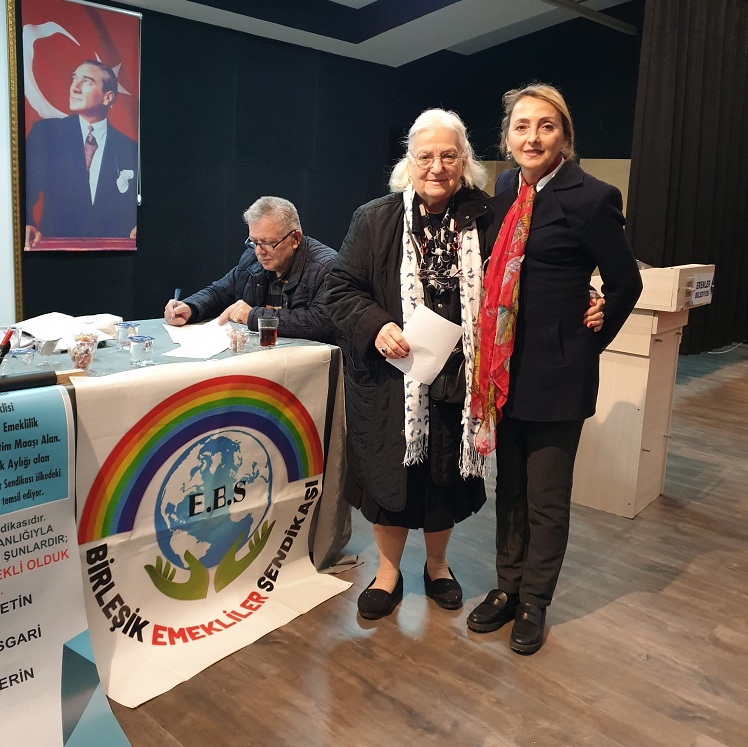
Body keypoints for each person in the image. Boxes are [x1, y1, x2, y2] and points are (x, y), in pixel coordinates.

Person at [326, 109, 606, 621]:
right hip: (392, 380)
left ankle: (438, 567)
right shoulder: (374, 218)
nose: (436, 167)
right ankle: (387, 573)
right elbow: (338, 288)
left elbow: (529, 270)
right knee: (391, 481)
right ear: (408, 162)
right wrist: (375, 325)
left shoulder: (487, 215)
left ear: (465, 161)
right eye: (425, 156)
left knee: (443, 480)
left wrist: (584, 294)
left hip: (460, 379)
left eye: (448, 156)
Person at [467, 84, 643, 654]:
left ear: (564, 136)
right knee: (509, 491)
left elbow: (625, 283)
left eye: (546, 125)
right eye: (521, 126)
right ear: (507, 138)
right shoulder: (504, 191)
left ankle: (534, 602)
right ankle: (506, 587)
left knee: (545, 497)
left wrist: (591, 337)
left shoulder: (592, 197)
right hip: (506, 371)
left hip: (559, 376)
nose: (532, 137)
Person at [165, 196, 338, 343]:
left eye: (268, 243)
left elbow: (323, 323)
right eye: (254, 242)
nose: (258, 252)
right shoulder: (252, 259)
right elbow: (218, 293)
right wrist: (191, 307)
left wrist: (253, 316)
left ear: (295, 239)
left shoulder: (326, 266)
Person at [25, 60, 138, 246]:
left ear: (108, 97)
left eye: (86, 81)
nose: (74, 88)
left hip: (113, 255)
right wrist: (26, 223)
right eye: (74, 79)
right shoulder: (46, 133)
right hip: (56, 252)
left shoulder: (129, 148)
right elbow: (24, 188)